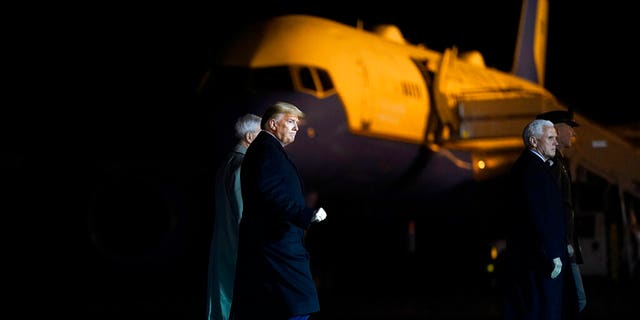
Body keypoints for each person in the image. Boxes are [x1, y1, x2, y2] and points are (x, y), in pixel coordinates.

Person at [230, 101, 328, 320]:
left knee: (286, 307)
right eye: (291, 122)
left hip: (275, 245)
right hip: (278, 246)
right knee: (296, 308)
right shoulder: (267, 151)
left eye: (297, 123)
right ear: (273, 124)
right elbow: (271, 194)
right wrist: (305, 214)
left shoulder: (267, 149)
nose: (296, 128)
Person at [503, 119, 568, 320]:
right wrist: (553, 253)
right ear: (533, 141)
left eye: (556, 138)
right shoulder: (532, 169)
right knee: (544, 310)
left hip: (537, 256)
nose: (555, 143)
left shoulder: (532, 165)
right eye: (550, 138)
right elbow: (539, 214)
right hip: (541, 258)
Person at [207, 113, 262, 320]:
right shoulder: (242, 166)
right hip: (237, 246)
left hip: (222, 244)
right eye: (261, 137)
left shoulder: (226, 163)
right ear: (249, 137)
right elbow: (243, 215)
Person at [536, 110, 586, 317]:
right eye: (570, 128)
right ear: (556, 130)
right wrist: (564, 241)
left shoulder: (559, 161)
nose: (574, 134)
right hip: (560, 245)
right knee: (576, 299)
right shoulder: (553, 162)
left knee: (566, 299)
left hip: (562, 243)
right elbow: (555, 205)